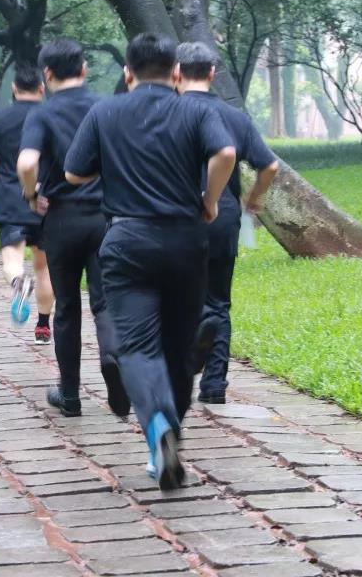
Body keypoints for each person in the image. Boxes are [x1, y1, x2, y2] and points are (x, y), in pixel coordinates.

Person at [64, 33, 236, 490]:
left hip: (128, 241)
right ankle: (170, 432)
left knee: (138, 347)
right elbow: (226, 153)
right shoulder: (196, 109)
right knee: (179, 350)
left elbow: (73, 171)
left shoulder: (106, 110)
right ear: (177, 72)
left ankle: (157, 429)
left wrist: (115, 161)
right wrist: (211, 201)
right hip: (186, 240)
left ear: (127, 73)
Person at [17, 39, 126, 418]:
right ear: (84, 68)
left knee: (66, 307)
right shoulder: (106, 107)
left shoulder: (42, 114)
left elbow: (27, 161)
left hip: (61, 219)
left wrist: (31, 196)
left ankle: (69, 394)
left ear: (46, 74)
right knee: (105, 301)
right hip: (104, 218)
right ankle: (113, 360)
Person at [175, 42, 279, 404]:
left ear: (176, 72)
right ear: (212, 73)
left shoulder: (166, 112)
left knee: (175, 297)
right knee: (218, 301)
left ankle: (180, 371)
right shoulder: (234, 117)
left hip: (174, 216)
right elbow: (269, 166)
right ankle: (215, 385)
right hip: (223, 216)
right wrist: (254, 200)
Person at [0, 62, 55, 343]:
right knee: (43, 266)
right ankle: (43, 327)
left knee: (12, 258)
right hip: (46, 200)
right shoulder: (51, 117)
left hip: (8, 200)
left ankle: (17, 282)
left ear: (13, 90)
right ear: (41, 87)